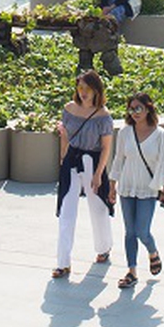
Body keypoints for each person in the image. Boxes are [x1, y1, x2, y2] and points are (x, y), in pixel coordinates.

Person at [53, 71, 116, 279]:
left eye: (87, 89)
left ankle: (103, 248)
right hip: (71, 160)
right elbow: (66, 137)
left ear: (96, 90)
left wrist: (99, 173)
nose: (82, 93)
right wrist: (63, 159)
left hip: (93, 161)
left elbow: (106, 147)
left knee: (97, 208)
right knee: (66, 211)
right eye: (80, 88)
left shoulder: (103, 116)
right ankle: (63, 263)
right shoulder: (69, 109)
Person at [110, 91, 164, 288]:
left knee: (142, 231)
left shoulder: (161, 135)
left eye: (138, 108)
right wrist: (112, 185)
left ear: (148, 108)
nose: (135, 112)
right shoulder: (124, 132)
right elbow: (118, 159)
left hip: (148, 188)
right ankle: (132, 271)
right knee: (129, 232)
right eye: (131, 108)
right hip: (127, 187)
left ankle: (153, 252)